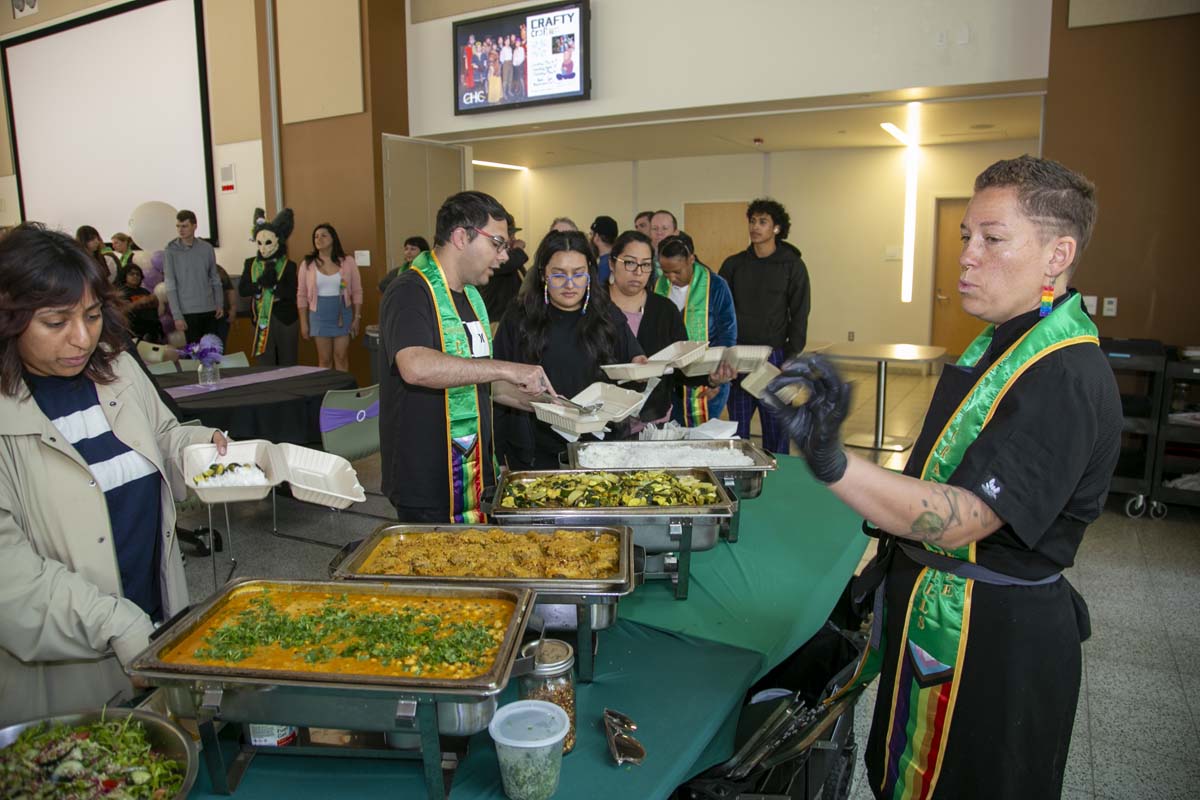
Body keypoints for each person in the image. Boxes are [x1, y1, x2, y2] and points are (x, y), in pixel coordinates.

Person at [762, 156, 1120, 799]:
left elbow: (966, 518)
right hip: (935, 605)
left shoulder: (1064, 374)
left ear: (1057, 255)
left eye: (993, 239)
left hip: (995, 638)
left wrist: (831, 460)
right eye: (965, 237)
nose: (966, 256)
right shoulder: (1001, 343)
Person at [0, 223, 227, 725]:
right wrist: (116, 624)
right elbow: (11, 581)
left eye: (92, 315)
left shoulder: (117, 368)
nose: (82, 338)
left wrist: (203, 447)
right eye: (56, 322)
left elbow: (163, 436)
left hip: (155, 619)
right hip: (65, 671)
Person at [379, 190, 551, 523]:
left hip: (473, 474)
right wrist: (506, 368)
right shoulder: (410, 292)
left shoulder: (472, 297)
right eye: (498, 244)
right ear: (461, 236)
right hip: (427, 480)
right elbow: (415, 366)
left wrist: (547, 406)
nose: (504, 257)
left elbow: (480, 383)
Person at [493, 230, 644, 469]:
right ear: (543, 274)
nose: (570, 284)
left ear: (590, 275)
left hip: (599, 450)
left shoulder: (606, 313)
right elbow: (495, 383)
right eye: (559, 275)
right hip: (535, 454)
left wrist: (641, 368)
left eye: (578, 274)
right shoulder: (519, 317)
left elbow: (634, 363)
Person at [721, 198, 811, 453]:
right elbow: (722, 311)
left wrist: (790, 359)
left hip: (774, 357)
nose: (755, 227)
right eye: (752, 221)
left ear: (777, 228)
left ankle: (778, 477)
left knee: (776, 428)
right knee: (737, 430)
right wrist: (723, 352)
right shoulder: (734, 264)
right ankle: (739, 476)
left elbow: (800, 313)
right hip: (738, 356)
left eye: (763, 221)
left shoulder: (792, 265)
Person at [654, 232, 738, 423]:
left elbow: (728, 332)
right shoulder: (658, 285)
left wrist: (718, 377)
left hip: (709, 377)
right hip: (671, 380)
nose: (671, 278)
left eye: (677, 271)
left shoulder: (716, 286)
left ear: (691, 259)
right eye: (665, 271)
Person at [297, 223, 363, 372]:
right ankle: (327, 392)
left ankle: (343, 393)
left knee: (341, 356)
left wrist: (357, 317)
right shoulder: (308, 264)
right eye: (316, 236)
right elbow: (301, 295)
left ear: (333, 238)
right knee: (324, 360)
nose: (319, 239)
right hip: (319, 315)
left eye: (324, 235)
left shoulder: (348, 262)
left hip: (342, 314)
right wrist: (303, 323)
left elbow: (357, 291)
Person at [239, 208, 299, 366]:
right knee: (265, 363)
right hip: (261, 319)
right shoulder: (251, 264)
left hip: (284, 318)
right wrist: (259, 285)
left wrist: (272, 287)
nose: (263, 248)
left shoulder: (289, 265)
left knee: (288, 362)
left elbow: (292, 292)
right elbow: (243, 289)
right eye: (259, 243)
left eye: (268, 243)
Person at [163, 210, 225, 344]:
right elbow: (170, 283)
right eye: (178, 226)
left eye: (184, 226)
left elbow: (214, 277)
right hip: (187, 310)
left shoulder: (207, 248)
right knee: (195, 352)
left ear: (194, 226)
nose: (181, 230)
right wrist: (177, 315)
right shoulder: (170, 250)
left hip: (209, 307)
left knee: (212, 349)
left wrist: (219, 303)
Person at [478, 214, 527, 324]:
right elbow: (512, 261)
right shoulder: (493, 258)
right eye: (511, 235)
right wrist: (519, 248)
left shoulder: (510, 258)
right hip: (496, 322)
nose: (514, 239)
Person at [119, 264, 164, 343]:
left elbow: (155, 309)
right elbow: (121, 310)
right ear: (125, 275)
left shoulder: (145, 291)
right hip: (133, 332)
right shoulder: (121, 292)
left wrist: (155, 301)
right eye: (131, 274)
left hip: (151, 330)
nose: (135, 276)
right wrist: (138, 303)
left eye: (138, 274)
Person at [590, 215, 618, 284]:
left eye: (591, 234)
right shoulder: (617, 259)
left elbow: (600, 292)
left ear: (596, 237)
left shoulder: (604, 264)